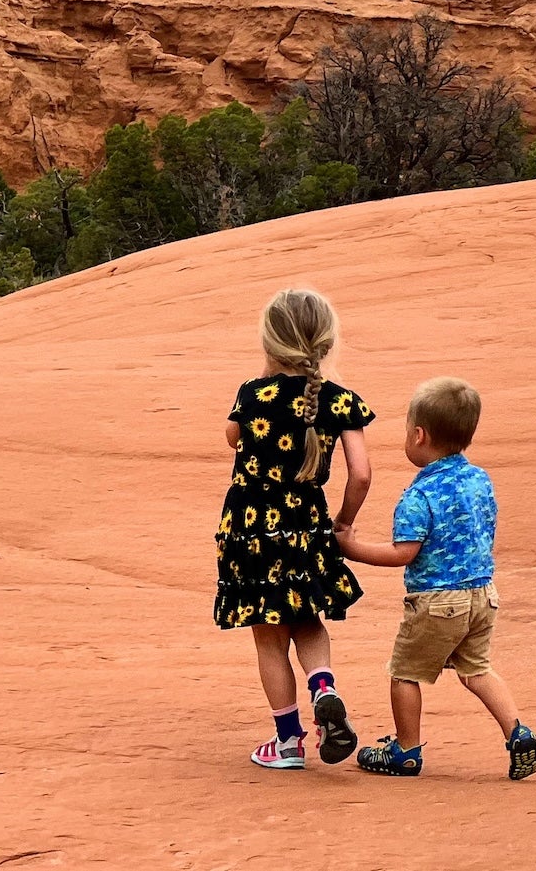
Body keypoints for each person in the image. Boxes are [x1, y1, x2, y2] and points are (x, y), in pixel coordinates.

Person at [336, 376, 536, 780]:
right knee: (477, 670)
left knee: (405, 673)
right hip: (483, 594)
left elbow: (403, 552)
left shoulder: (420, 494)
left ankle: (406, 750)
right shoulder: (480, 480)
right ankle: (518, 733)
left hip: (436, 600)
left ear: (418, 435)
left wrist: (350, 547)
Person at [214, 288, 374, 770]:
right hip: (306, 525)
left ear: (270, 341)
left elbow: (231, 437)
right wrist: (344, 522)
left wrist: (266, 383)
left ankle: (287, 743)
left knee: (268, 637)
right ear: (326, 342)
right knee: (307, 619)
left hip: (251, 529)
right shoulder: (340, 401)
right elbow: (361, 473)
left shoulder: (251, 394)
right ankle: (324, 686)